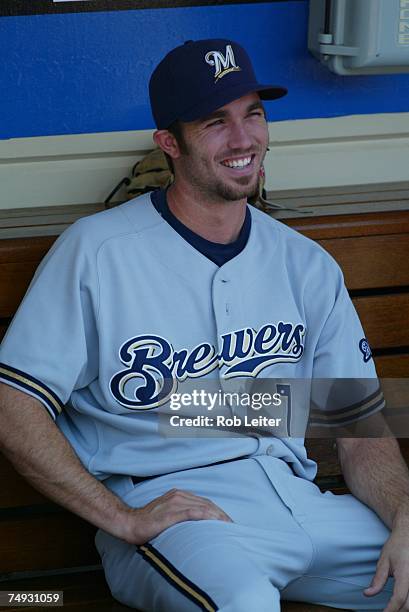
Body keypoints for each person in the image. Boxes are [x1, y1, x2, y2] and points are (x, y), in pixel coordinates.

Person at [0, 38, 409, 612]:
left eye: (253, 114)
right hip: (177, 511)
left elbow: (357, 422)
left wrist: (403, 517)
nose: (243, 139)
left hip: (298, 499)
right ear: (169, 142)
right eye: (215, 121)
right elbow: (12, 406)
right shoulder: (97, 252)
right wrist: (122, 517)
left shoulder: (304, 263)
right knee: (241, 600)